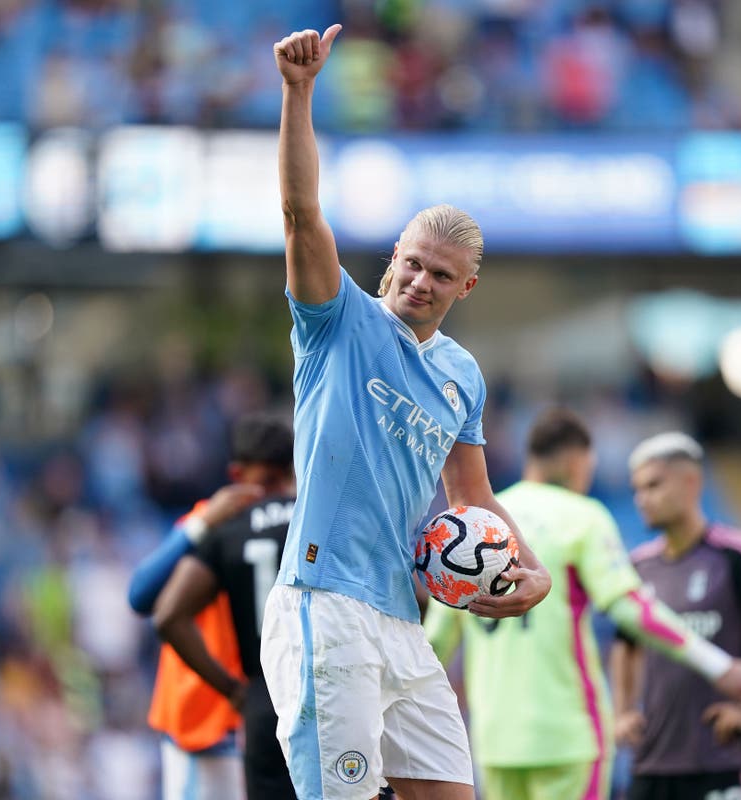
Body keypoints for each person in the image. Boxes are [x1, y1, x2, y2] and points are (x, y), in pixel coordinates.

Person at [263, 23, 553, 800]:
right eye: (412, 263)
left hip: (401, 617)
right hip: (326, 608)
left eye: (440, 274)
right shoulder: (337, 321)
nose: (420, 280)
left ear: (467, 289)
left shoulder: (461, 374)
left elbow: (474, 501)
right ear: (392, 257)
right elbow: (299, 213)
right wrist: (299, 93)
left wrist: (530, 571)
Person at [424, 408, 741, 800]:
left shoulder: (478, 526)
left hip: (495, 741)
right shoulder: (581, 517)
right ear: (576, 460)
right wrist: (719, 665)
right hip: (570, 736)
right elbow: (630, 608)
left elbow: (435, 642)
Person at [611, 432, 741, 800]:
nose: (642, 498)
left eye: (654, 485)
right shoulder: (639, 566)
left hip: (719, 762)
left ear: (691, 482)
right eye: (637, 489)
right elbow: (626, 644)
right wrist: (623, 711)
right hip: (651, 766)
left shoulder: (739, 554)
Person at [148, 413, 300, 800]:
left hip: (259, 703)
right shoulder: (323, 519)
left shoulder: (225, 528)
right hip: (334, 691)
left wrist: (235, 692)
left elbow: (162, 611)